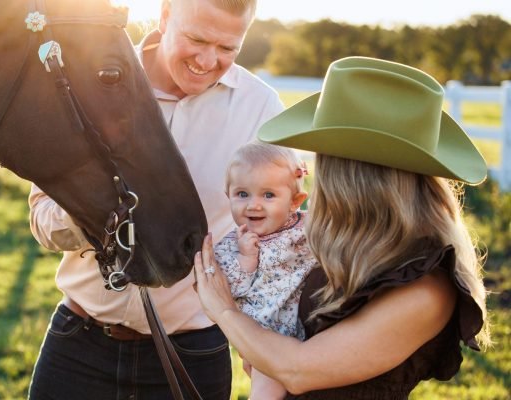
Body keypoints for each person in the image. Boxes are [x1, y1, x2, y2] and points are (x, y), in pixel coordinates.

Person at [27, 0, 284, 399]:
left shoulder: (262, 109)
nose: (207, 60)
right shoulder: (82, 84)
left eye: (227, 48)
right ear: (165, 15)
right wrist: (97, 209)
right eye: (196, 39)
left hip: (193, 355)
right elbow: (42, 221)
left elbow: (279, 238)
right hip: (78, 347)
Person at [193, 56, 491, 399]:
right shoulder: (341, 241)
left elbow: (297, 370)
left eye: (324, 159)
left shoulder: (426, 288)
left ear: (350, 179)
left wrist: (224, 310)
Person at [214, 141, 317, 399]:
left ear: (295, 202)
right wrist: (246, 259)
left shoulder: (305, 228)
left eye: (268, 195)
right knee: (265, 393)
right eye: (242, 194)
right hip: (266, 337)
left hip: (310, 331)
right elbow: (228, 291)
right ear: (228, 195)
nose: (253, 205)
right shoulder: (232, 246)